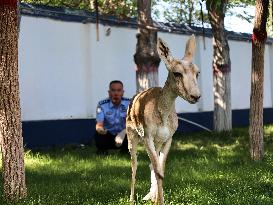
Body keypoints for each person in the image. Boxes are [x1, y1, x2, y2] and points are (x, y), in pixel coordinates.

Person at [94, 80, 130, 155]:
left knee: (132, 133)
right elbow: (99, 124)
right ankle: (102, 150)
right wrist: (100, 130)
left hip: (124, 135)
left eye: (119, 90)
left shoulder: (130, 104)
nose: (116, 93)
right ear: (109, 92)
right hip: (109, 134)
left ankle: (125, 151)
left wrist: (123, 133)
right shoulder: (102, 105)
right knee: (98, 134)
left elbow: (134, 123)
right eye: (113, 90)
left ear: (123, 92)